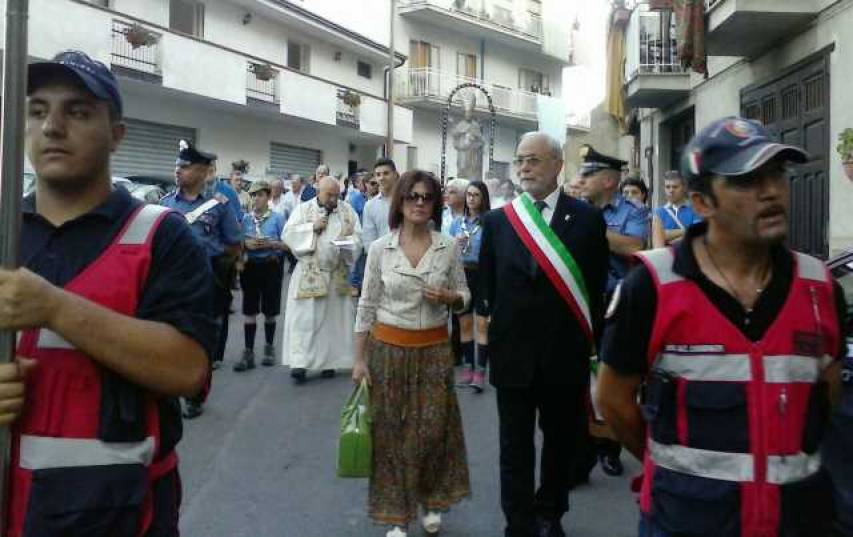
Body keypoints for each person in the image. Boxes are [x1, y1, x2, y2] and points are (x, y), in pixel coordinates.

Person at [596, 116, 846, 537]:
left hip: (800, 521)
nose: (770, 192)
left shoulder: (819, 287)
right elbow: (614, 402)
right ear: (701, 203)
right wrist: (679, 473)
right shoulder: (653, 287)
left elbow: (827, 396)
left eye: (776, 175)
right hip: (685, 521)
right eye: (746, 181)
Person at [1, 49, 214, 536]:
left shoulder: (162, 235)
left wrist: (54, 307)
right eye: (37, 110)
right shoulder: (3, 232)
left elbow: (186, 368)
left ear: (117, 134)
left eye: (77, 111)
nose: (52, 126)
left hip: (119, 513)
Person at [479, 132, 609, 537]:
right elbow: (489, 289)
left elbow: (594, 287)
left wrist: (593, 351)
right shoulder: (499, 221)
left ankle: (550, 513)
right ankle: (517, 523)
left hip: (563, 354)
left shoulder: (586, 219)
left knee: (559, 443)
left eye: (533, 160)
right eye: (520, 160)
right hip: (513, 353)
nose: (524, 168)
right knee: (514, 448)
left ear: (557, 164)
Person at [352, 170, 471, 537]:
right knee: (391, 433)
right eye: (411, 197)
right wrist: (358, 360)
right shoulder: (379, 249)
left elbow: (465, 296)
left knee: (434, 431)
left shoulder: (447, 246)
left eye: (427, 197)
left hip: (434, 351)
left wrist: (451, 298)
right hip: (387, 350)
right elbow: (366, 304)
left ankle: (431, 502)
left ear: (436, 204)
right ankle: (396, 514)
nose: (419, 203)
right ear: (399, 202)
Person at [577, 144, 649, 477]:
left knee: (609, 377)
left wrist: (592, 230)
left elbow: (634, 246)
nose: (581, 180)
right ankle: (581, 450)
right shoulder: (577, 210)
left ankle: (610, 448)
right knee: (578, 377)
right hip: (582, 302)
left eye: (588, 175)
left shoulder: (631, 212)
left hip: (616, 305)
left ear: (608, 180)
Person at [162, 140, 242, 418]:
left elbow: (233, 243)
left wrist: (218, 267)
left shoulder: (218, 205)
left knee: (199, 340)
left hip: (204, 282)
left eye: (184, 167)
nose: (178, 171)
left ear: (201, 172)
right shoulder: (165, 204)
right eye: (177, 166)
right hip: (171, 283)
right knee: (170, 337)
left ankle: (195, 393)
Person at [282, 177, 362, 383]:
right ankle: (300, 363)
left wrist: (346, 243)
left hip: (336, 273)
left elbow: (358, 238)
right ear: (319, 191)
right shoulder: (303, 210)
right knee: (305, 320)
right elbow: (288, 234)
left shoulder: (347, 211)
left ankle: (330, 362)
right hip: (310, 271)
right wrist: (312, 228)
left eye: (337, 195)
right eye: (330, 195)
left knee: (333, 322)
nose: (334, 199)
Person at [234, 180, 287, 372]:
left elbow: (288, 245)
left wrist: (271, 244)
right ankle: (248, 351)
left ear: (268, 197)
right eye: (253, 195)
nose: (256, 199)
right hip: (251, 267)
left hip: (271, 265)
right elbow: (237, 242)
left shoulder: (278, 218)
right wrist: (246, 245)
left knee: (270, 310)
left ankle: (269, 348)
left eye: (260, 195)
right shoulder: (246, 219)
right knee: (249, 310)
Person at [448, 180, 491, 392]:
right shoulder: (456, 223)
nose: (471, 198)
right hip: (461, 275)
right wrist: (455, 243)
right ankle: (467, 370)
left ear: (483, 198)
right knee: (464, 325)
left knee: (482, 325)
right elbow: (446, 252)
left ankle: (480, 373)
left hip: (482, 275)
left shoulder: (490, 222)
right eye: (469, 195)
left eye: (476, 195)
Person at [651, 170, 701, 248]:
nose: (671, 190)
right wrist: (687, 231)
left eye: (675, 187)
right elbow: (658, 241)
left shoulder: (695, 208)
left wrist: (667, 234)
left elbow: (698, 234)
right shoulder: (659, 212)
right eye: (668, 187)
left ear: (684, 188)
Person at [362, 158, 399, 252]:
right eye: (378, 175)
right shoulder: (370, 206)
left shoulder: (406, 201)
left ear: (395, 174)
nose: (382, 178)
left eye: (386, 173)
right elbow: (368, 239)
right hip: (381, 259)